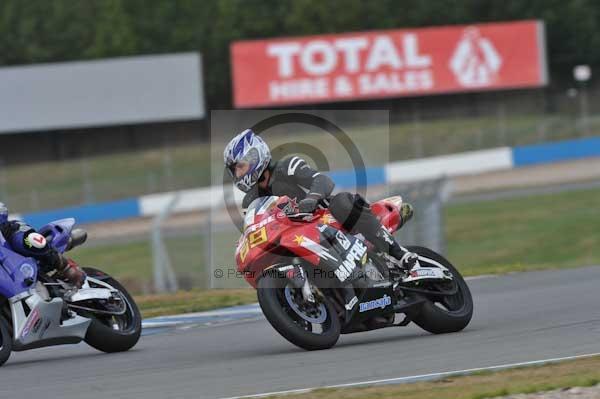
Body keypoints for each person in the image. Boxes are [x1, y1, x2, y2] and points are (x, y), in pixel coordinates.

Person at [223, 129, 419, 272]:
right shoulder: (251, 200)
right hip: (293, 235)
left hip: (326, 219)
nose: (238, 173)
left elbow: (322, 180)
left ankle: (398, 254)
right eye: (234, 170)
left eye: (240, 167)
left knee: (341, 202)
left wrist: (312, 199)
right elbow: (255, 227)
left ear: (256, 156)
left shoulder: (287, 166)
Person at [0, 203, 85, 287]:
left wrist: (67, 268)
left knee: (26, 241)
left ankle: (67, 267)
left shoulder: (10, 230)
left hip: (27, 271)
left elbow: (31, 241)